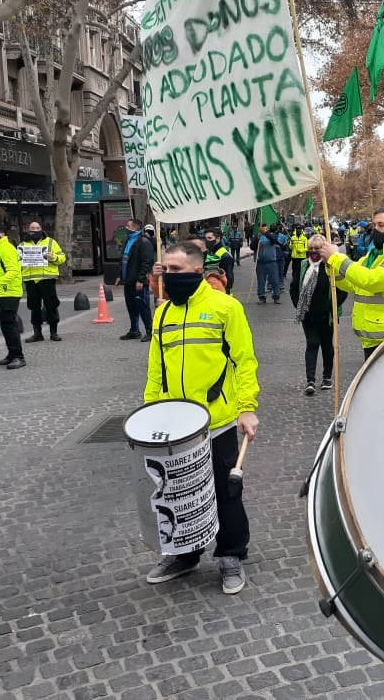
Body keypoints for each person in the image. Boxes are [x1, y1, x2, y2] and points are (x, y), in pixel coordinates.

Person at [143, 241, 259, 595]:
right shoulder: (163, 313)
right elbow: (155, 368)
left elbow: (244, 360)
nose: (168, 276)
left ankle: (231, 555)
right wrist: (150, 411)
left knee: (225, 491)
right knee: (179, 493)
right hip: (174, 426)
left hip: (217, 420)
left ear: (197, 271)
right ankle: (186, 554)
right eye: (164, 270)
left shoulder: (226, 308)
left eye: (175, 270)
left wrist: (247, 407)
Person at [318, 207, 384, 360]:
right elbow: (353, 284)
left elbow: (371, 281)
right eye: (374, 225)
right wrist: (331, 267)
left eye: (381, 225)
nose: (375, 229)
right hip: (372, 339)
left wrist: (336, 258)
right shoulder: (373, 256)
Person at [290, 235, 346, 395]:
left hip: (327, 316)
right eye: (311, 248)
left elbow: (342, 290)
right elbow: (294, 287)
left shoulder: (331, 266)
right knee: (312, 344)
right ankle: (310, 381)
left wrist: (332, 306)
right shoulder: (302, 265)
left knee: (327, 347)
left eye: (317, 249)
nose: (314, 252)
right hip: (308, 316)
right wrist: (299, 305)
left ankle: (327, 377)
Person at [0, 225, 26, 370]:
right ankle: (12, 354)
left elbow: (13, 271)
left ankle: (18, 356)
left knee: (10, 325)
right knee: (6, 325)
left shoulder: (6, 248)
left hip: (9, 292)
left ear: (2, 233)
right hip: (1, 292)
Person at [19, 221, 66, 343]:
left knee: (51, 306)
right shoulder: (22, 245)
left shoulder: (51, 242)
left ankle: (53, 333)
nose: (35, 230)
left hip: (47, 279)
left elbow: (62, 258)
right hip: (30, 280)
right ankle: (37, 333)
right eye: (32, 228)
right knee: (34, 307)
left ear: (41, 229)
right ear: (28, 229)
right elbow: (16, 262)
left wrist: (53, 257)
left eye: (37, 228)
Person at [118, 218, 155, 342]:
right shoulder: (128, 240)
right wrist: (120, 276)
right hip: (128, 280)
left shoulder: (143, 242)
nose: (126, 228)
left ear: (134, 228)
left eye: (128, 226)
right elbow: (124, 259)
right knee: (131, 306)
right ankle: (134, 330)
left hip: (138, 281)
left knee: (142, 306)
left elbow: (147, 262)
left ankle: (150, 331)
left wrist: (141, 279)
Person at [252, 224, 283, 303]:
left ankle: (276, 296)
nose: (262, 227)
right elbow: (252, 247)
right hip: (260, 263)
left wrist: (266, 233)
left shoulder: (271, 235)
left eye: (264, 226)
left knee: (274, 280)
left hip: (271, 262)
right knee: (261, 281)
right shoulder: (257, 236)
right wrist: (256, 239)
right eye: (261, 226)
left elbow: (274, 240)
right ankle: (261, 296)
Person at [203, 228, 235, 294]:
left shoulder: (225, 256)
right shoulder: (211, 252)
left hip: (221, 292)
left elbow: (229, 280)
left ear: (218, 239)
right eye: (205, 238)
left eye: (209, 238)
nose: (206, 241)